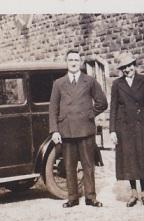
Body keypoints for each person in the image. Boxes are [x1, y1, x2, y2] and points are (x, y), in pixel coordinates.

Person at [49, 49, 108, 208]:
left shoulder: (89, 81)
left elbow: (102, 102)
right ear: (67, 63)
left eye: (76, 60)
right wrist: (54, 130)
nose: (74, 63)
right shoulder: (58, 83)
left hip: (85, 130)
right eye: (70, 60)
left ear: (80, 62)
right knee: (69, 166)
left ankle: (90, 197)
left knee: (88, 165)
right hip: (66, 131)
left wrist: (90, 114)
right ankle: (72, 198)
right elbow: (53, 109)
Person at [109, 52, 144, 207]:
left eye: (129, 66)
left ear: (134, 65)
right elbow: (113, 108)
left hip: (142, 126)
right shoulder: (117, 84)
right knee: (129, 159)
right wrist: (112, 130)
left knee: (143, 158)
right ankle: (133, 193)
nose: (127, 69)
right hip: (124, 128)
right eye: (124, 67)